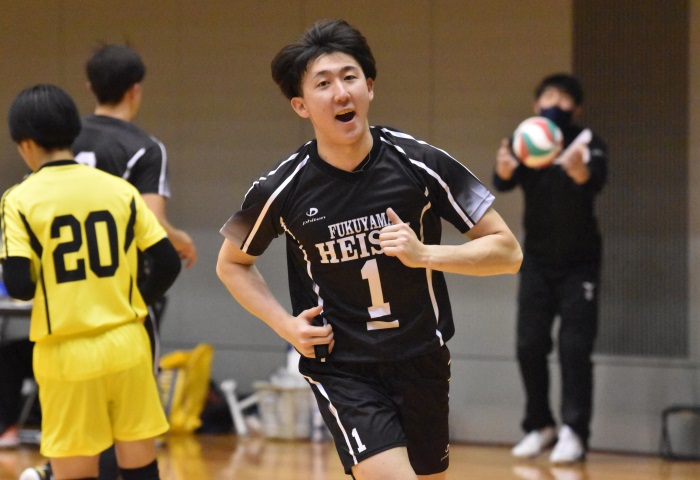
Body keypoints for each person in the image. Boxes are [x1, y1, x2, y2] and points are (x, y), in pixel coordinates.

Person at [216, 19, 522, 480]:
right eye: (324, 84)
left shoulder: (421, 163)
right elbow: (232, 264)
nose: (341, 93)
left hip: (422, 360)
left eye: (350, 77)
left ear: (370, 87)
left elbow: (508, 251)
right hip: (344, 368)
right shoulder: (280, 187)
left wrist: (424, 254)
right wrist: (286, 326)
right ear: (301, 105)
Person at [1, 84, 181, 480]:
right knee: (140, 467)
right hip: (128, 345)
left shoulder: (19, 199)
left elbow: (19, 286)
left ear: (25, 144)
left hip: (66, 355)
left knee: (76, 471)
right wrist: (134, 301)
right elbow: (167, 262)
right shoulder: (120, 190)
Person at [493, 73, 608, 463]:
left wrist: (579, 170)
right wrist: (504, 169)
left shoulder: (587, 141)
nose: (554, 103)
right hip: (537, 262)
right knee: (529, 345)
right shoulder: (526, 138)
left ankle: (574, 431)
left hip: (580, 265)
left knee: (574, 348)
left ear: (577, 108)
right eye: (548, 96)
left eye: (563, 98)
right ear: (535, 104)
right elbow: (503, 182)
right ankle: (540, 426)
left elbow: (596, 181)